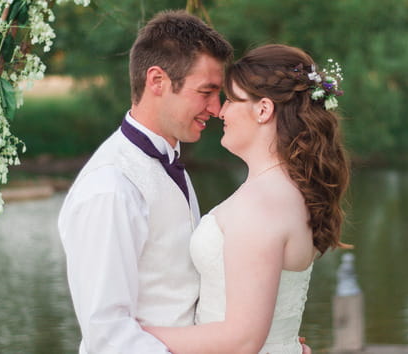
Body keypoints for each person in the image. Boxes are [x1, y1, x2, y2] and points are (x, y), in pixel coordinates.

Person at [142, 44, 350, 353]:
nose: (220, 111)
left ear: (263, 110)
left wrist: (134, 335)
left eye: (231, 100)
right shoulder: (284, 193)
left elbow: (242, 340)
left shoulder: (261, 205)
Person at [57, 9, 233, 353]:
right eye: (206, 92)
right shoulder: (111, 187)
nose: (217, 108)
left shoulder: (166, 160)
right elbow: (107, 334)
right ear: (157, 81)